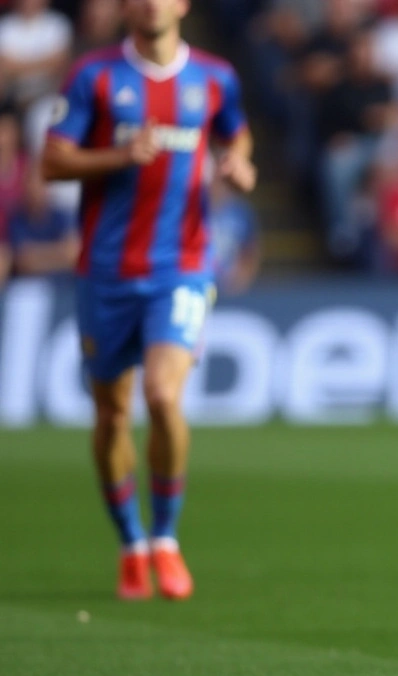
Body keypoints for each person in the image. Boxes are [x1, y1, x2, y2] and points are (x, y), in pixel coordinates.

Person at [41, 0, 256, 601]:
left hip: (181, 268)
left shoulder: (214, 77)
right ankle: (131, 543)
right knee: (111, 414)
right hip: (106, 272)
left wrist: (239, 163)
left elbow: (235, 132)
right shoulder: (96, 76)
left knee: (162, 396)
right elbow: (52, 160)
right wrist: (117, 154)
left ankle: (165, 538)